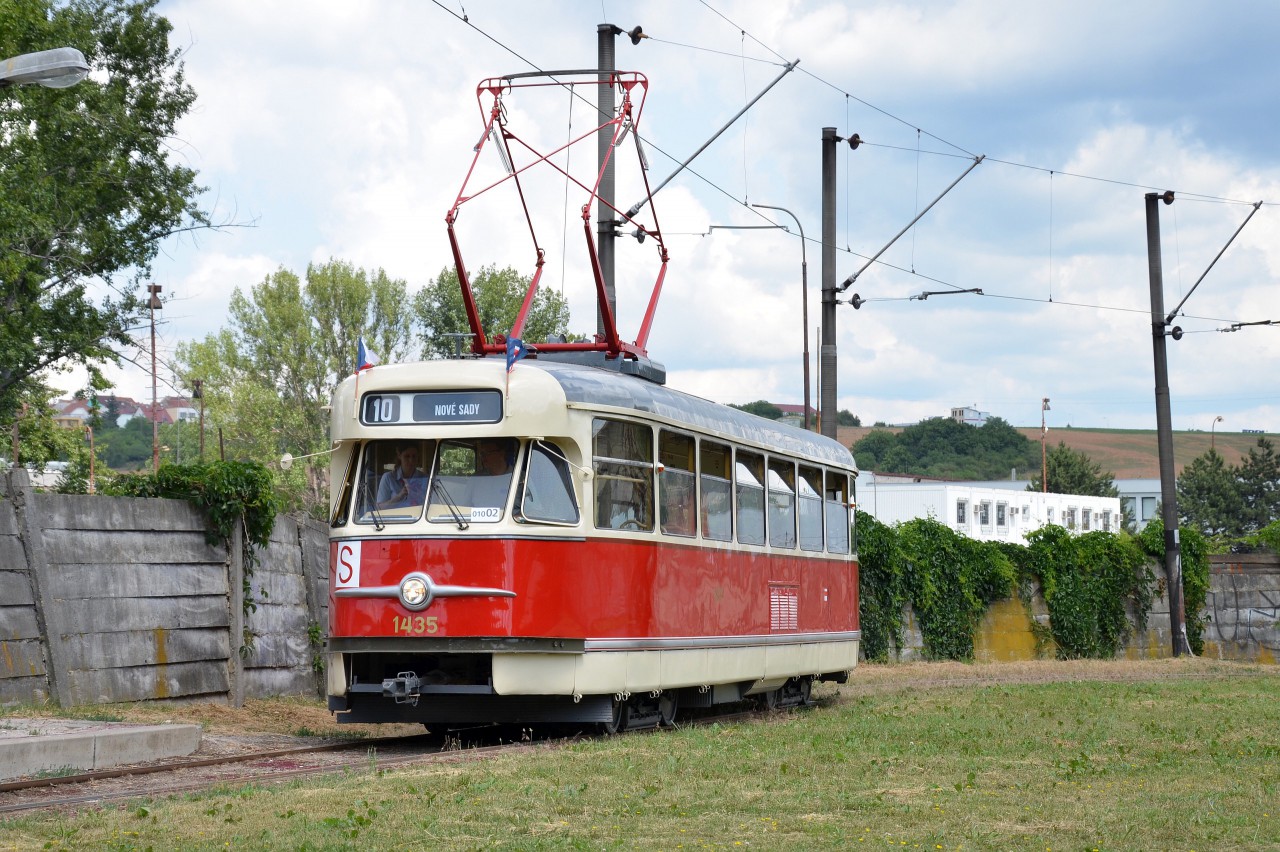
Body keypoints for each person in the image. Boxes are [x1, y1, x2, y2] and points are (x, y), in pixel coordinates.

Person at [376, 443, 426, 509]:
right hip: (395, 518)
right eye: (407, 456)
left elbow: (431, 504)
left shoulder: (424, 478)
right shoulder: (388, 478)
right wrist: (400, 496)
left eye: (414, 456)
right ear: (399, 456)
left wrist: (418, 495)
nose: (411, 460)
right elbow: (380, 508)